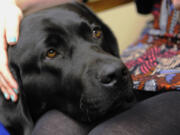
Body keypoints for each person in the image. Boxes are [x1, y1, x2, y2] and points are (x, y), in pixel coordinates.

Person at [0, 0, 180, 135]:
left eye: (95, 33)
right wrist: (5, 5)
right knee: (52, 129)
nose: (112, 67)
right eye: (52, 53)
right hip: (153, 50)